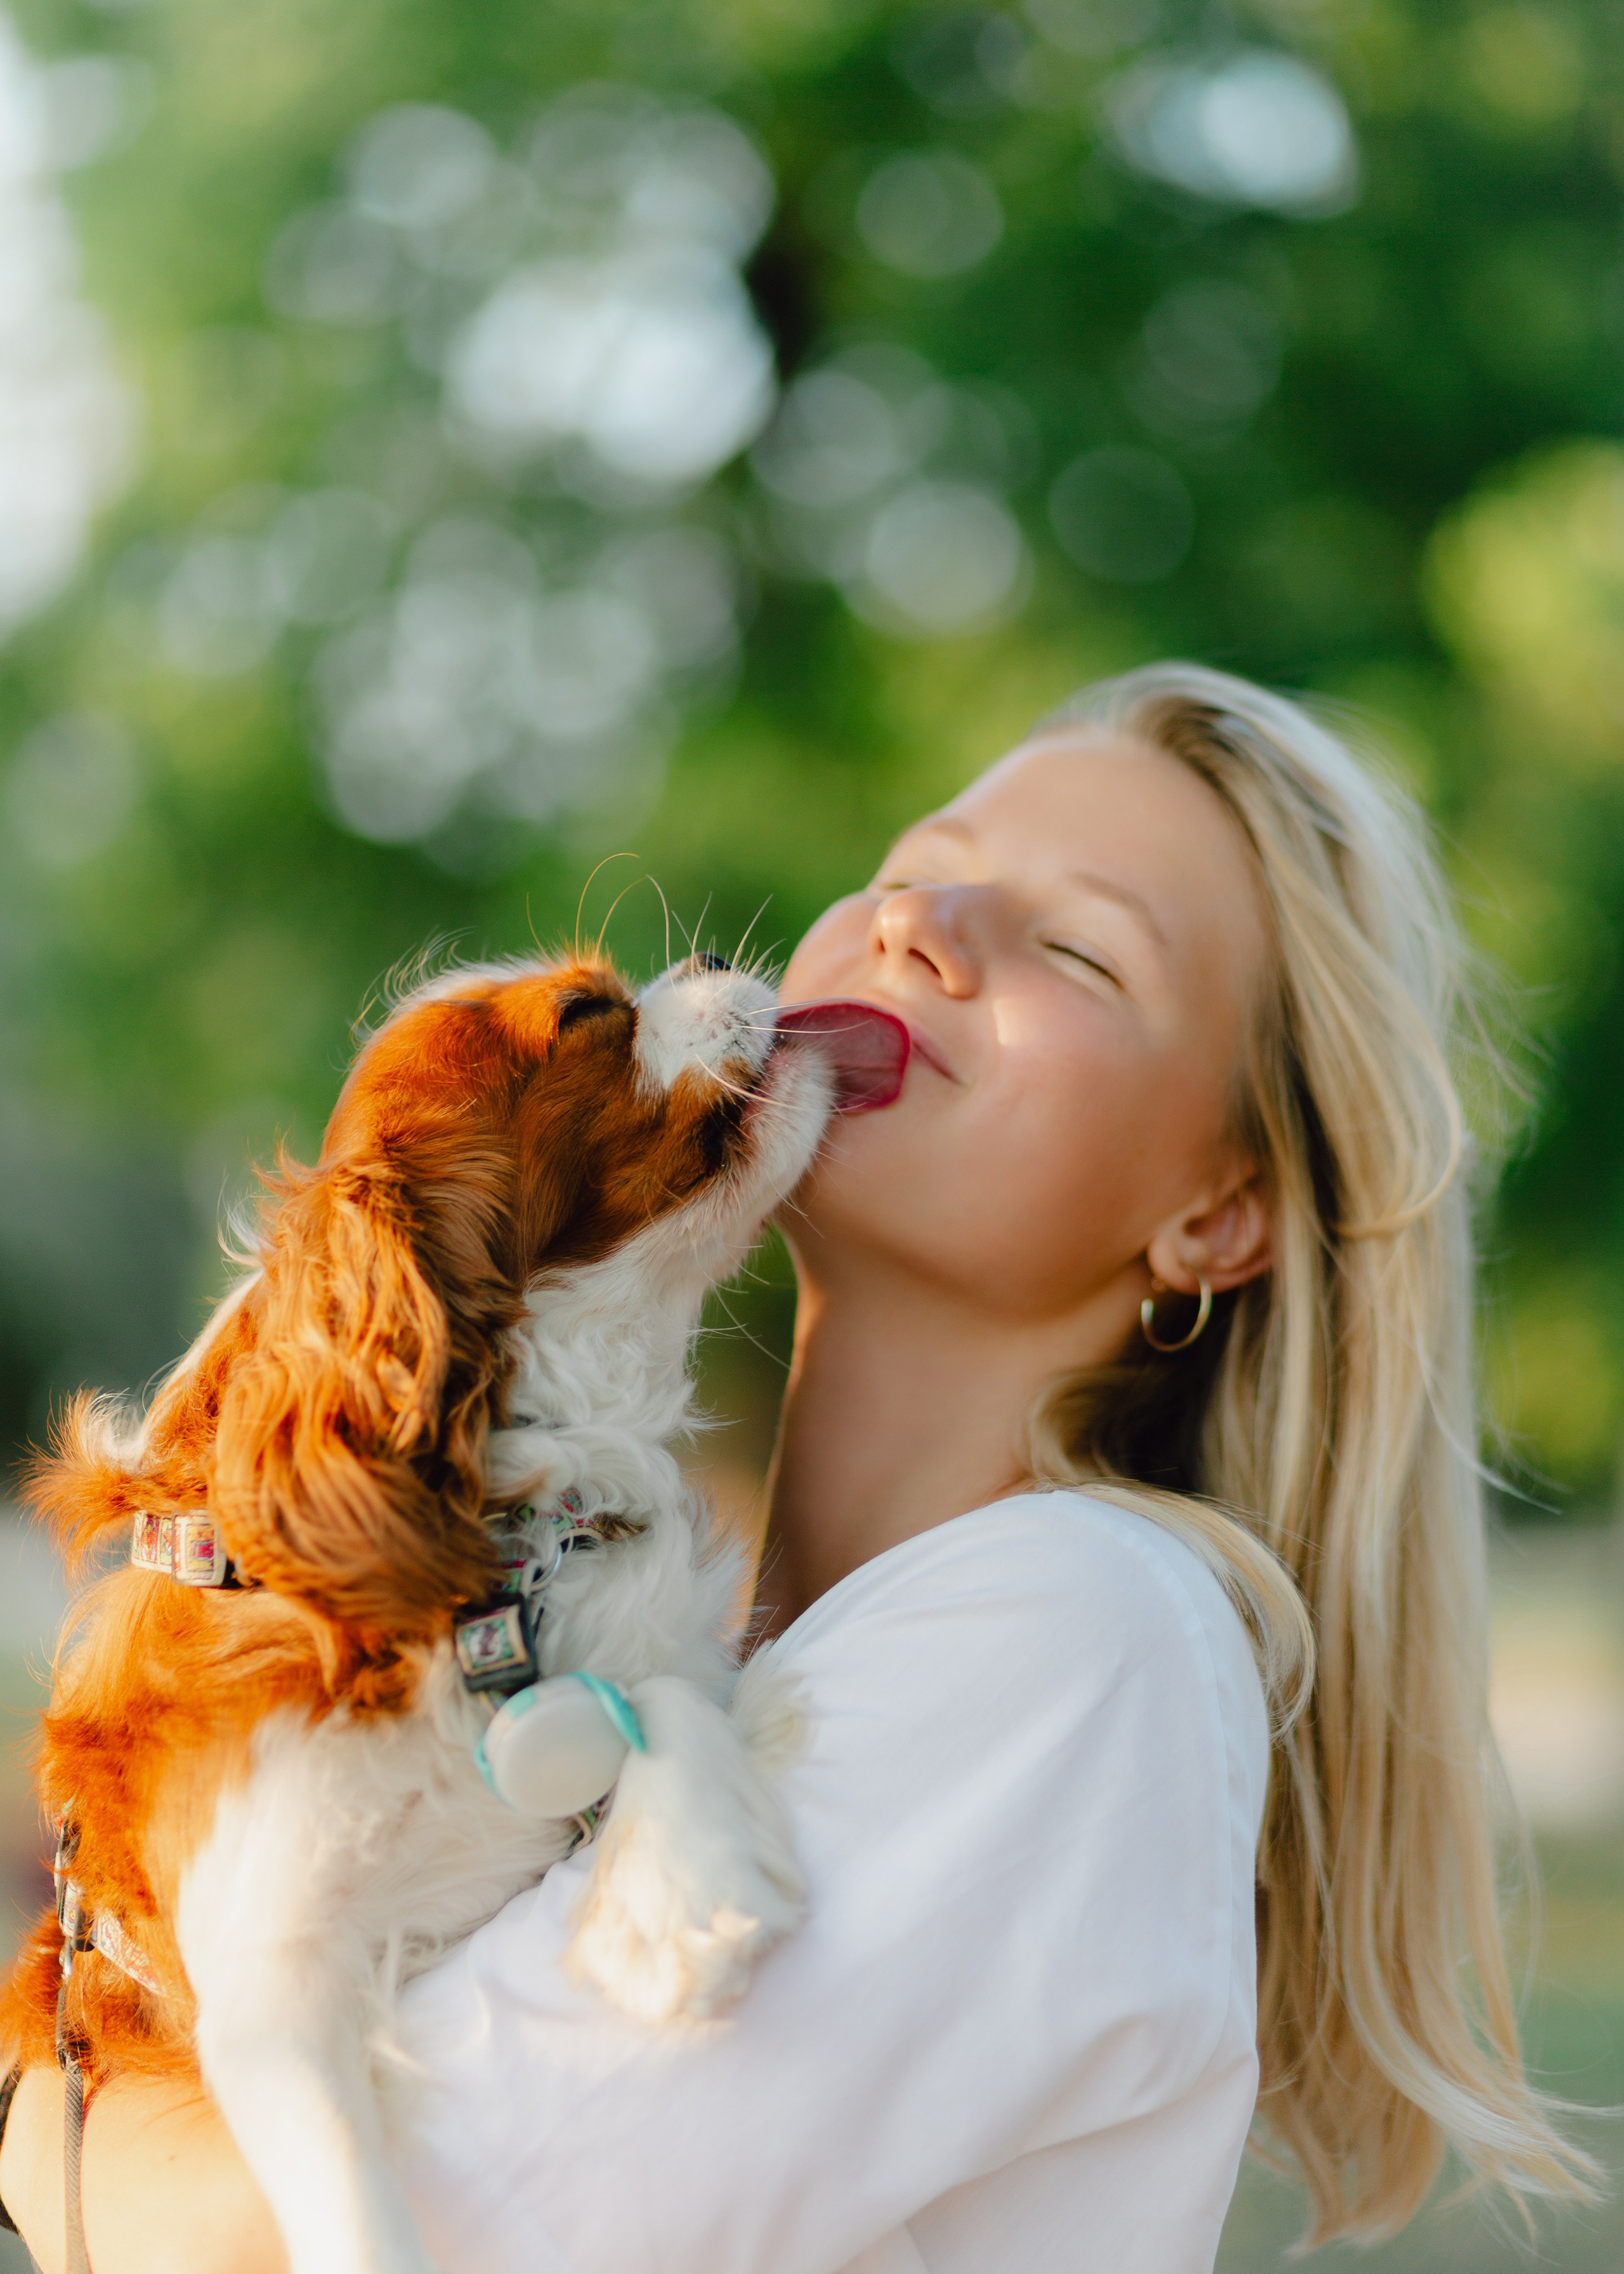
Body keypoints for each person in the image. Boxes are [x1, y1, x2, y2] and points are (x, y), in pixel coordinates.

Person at [0, 663, 1592, 2273]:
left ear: (1215, 1213)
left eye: (1073, 947)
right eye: (911, 872)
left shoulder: (1079, 1636)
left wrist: (39, 2109)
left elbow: (289, 2241)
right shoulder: (672, 1636)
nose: (919, 929)